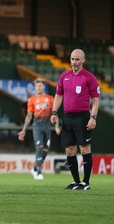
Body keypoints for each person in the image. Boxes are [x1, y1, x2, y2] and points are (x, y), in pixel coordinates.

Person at [50, 49, 100, 190]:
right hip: (67, 117)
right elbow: (58, 95)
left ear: (83, 60)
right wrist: (54, 112)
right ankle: (76, 181)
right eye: (72, 59)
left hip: (82, 117)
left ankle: (86, 182)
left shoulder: (89, 77)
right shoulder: (64, 76)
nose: (74, 62)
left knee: (84, 148)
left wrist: (93, 117)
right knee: (69, 150)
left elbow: (96, 100)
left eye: (77, 59)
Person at [18, 78, 60, 180]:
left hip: (47, 127)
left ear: (44, 86)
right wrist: (23, 130)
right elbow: (29, 116)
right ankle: (38, 172)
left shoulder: (50, 98)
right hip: (37, 127)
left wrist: (56, 126)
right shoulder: (32, 100)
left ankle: (35, 168)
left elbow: (54, 114)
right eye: (37, 86)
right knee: (39, 148)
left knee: (46, 150)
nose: (38, 87)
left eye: (40, 85)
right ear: (35, 87)